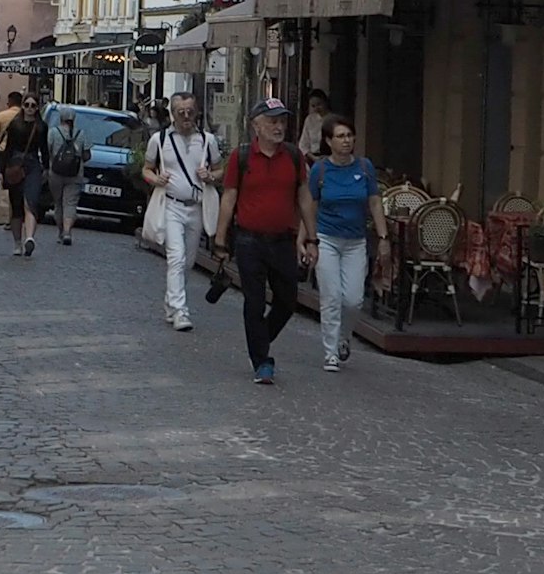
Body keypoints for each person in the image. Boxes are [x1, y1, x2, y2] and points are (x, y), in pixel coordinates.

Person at [208, 103, 309, 385]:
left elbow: (303, 197)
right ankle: (261, 361)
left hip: (282, 241)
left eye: (282, 122)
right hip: (249, 240)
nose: (279, 127)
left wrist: (310, 237)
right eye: (272, 121)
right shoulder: (241, 157)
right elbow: (228, 198)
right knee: (254, 301)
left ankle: (259, 339)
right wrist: (219, 239)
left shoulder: (293, 156)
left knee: (287, 301)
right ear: (256, 125)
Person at [306, 115, 385, 372]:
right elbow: (310, 207)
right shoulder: (320, 170)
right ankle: (330, 352)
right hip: (327, 239)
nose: (346, 141)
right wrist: (307, 240)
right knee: (331, 296)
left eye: (349, 135)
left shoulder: (364, 167)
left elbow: (374, 202)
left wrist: (383, 238)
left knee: (353, 299)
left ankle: (344, 337)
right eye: (340, 136)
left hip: (355, 241)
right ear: (328, 141)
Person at [148, 90, 219, 331]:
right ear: (172, 114)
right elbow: (146, 169)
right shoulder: (160, 140)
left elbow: (220, 170)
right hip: (171, 205)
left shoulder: (208, 141)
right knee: (176, 257)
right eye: (181, 112)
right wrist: (156, 179)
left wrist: (210, 176)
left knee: (187, 262)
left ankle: (171, 301)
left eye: (191, 111)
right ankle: (180, 310)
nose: (187, 116)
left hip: (196, 207)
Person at [0, 89, 48, 257]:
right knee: (16, 207)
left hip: (33, 167)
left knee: (31, 201)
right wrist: (1, 171)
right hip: (14, 166)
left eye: (33, 105)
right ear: (23, 106)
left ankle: (29, 238)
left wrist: (46, 167)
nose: (30, 108)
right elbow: (8, 149)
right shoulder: (15, 125)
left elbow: (44, 150)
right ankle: (17, 242)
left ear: (37, 108)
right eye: (27, 105)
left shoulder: (41, 127)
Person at [43, 108, 92, 247]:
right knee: (70, 203)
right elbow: (87, 155)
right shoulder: (81, 134)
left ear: (61, 118)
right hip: (75, 174)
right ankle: (67, 231)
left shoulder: (53, 132)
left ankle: (60, 232)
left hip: (56, 173)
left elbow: (47, 151)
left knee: (58, 203)